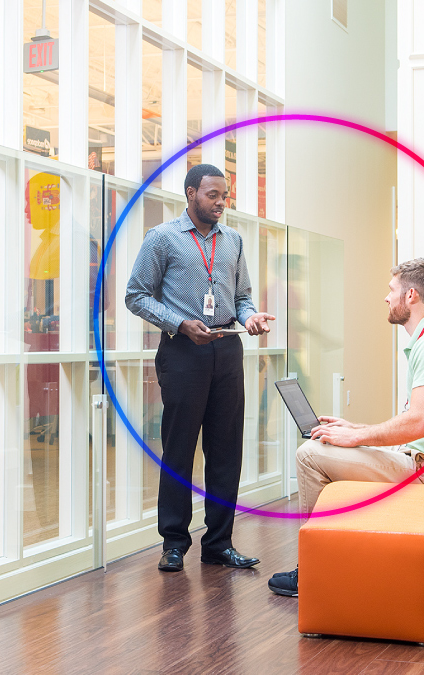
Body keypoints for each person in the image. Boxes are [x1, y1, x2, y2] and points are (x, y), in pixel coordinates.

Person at [268, 257, 424, 597]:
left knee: (310, 453)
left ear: (411, 295)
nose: (386, 298)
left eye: (392, 290)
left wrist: (357, 437)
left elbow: (420, 421)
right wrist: (357, 428)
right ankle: (336, 558)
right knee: (329, 444)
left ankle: (314, 571)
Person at [126, 164, 275, 573]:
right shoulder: (162, 239)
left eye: (224, 196)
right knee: (179, 449)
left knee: (226, 450)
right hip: (182, 351)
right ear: (191, 193)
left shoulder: (234, 242)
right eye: (212, 195)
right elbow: (135, 295)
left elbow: (242, 295)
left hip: (227, 350)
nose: (220, 203)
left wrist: (249, 318)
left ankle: (219, 543)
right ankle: (173, 542)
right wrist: (179, 323)